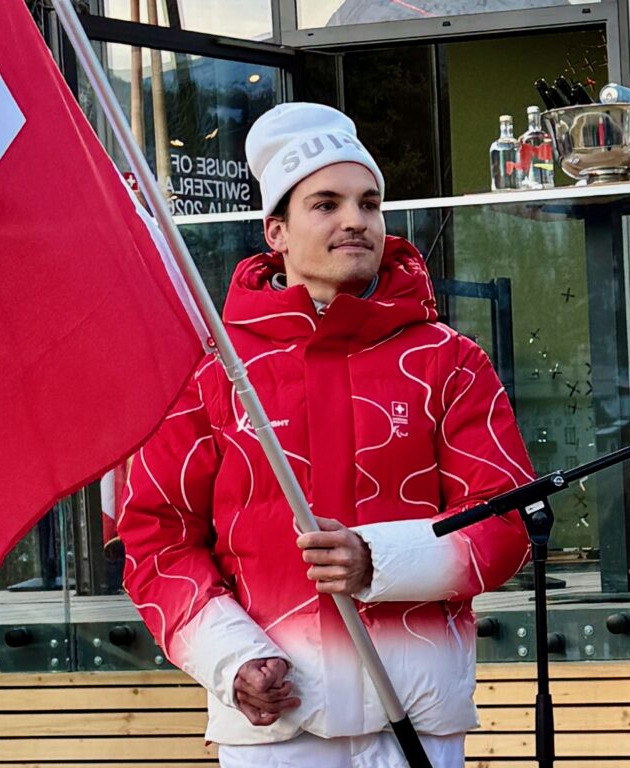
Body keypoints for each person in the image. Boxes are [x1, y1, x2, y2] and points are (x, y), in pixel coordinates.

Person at [118, 102, 533, 767]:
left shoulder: (449, 359)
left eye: (369, 203)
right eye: (326, 204)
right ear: (275, 232)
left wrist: (378, 560)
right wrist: (234, 660)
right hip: (275, 725)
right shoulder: (209, 370)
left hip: (416, 721)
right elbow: (156, 541)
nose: (355, 221)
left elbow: (503, 525)